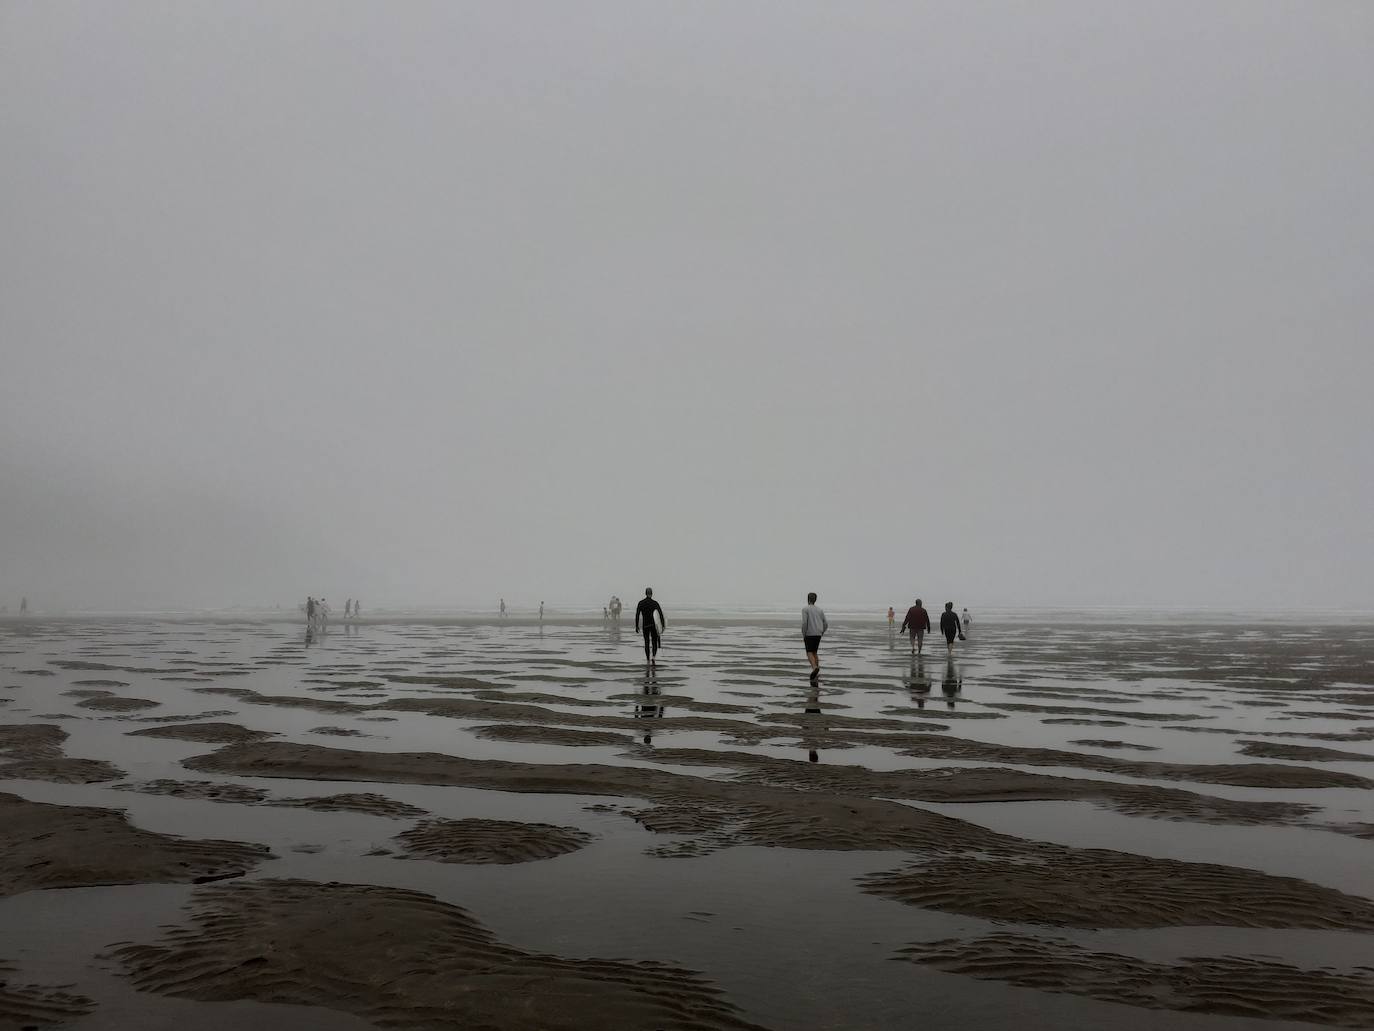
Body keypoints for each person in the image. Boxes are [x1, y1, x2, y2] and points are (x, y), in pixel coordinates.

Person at [635, 588, 665, 666]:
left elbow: (637, 614)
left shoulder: (641, 603)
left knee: (647, 642)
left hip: (645, 625)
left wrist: (636, 626)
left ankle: (648, 659)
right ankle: (653, 657)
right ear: (652, 593)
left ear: (645, 593)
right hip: (654, 625)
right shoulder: (655, 603)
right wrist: (662, 625)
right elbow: (660, 614)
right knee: (654, 642)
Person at [802, 592, 828, 680]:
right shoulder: (820, 610)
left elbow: (804, 623)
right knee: (814, 652)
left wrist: (804, 634)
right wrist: (822, 632)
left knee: (809, 652)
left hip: (809, 633)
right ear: (815, 600)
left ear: (808, 599)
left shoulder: (805, 609)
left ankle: (814, 668)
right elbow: (826, 623)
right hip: (818, 633)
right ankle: (816, 673)